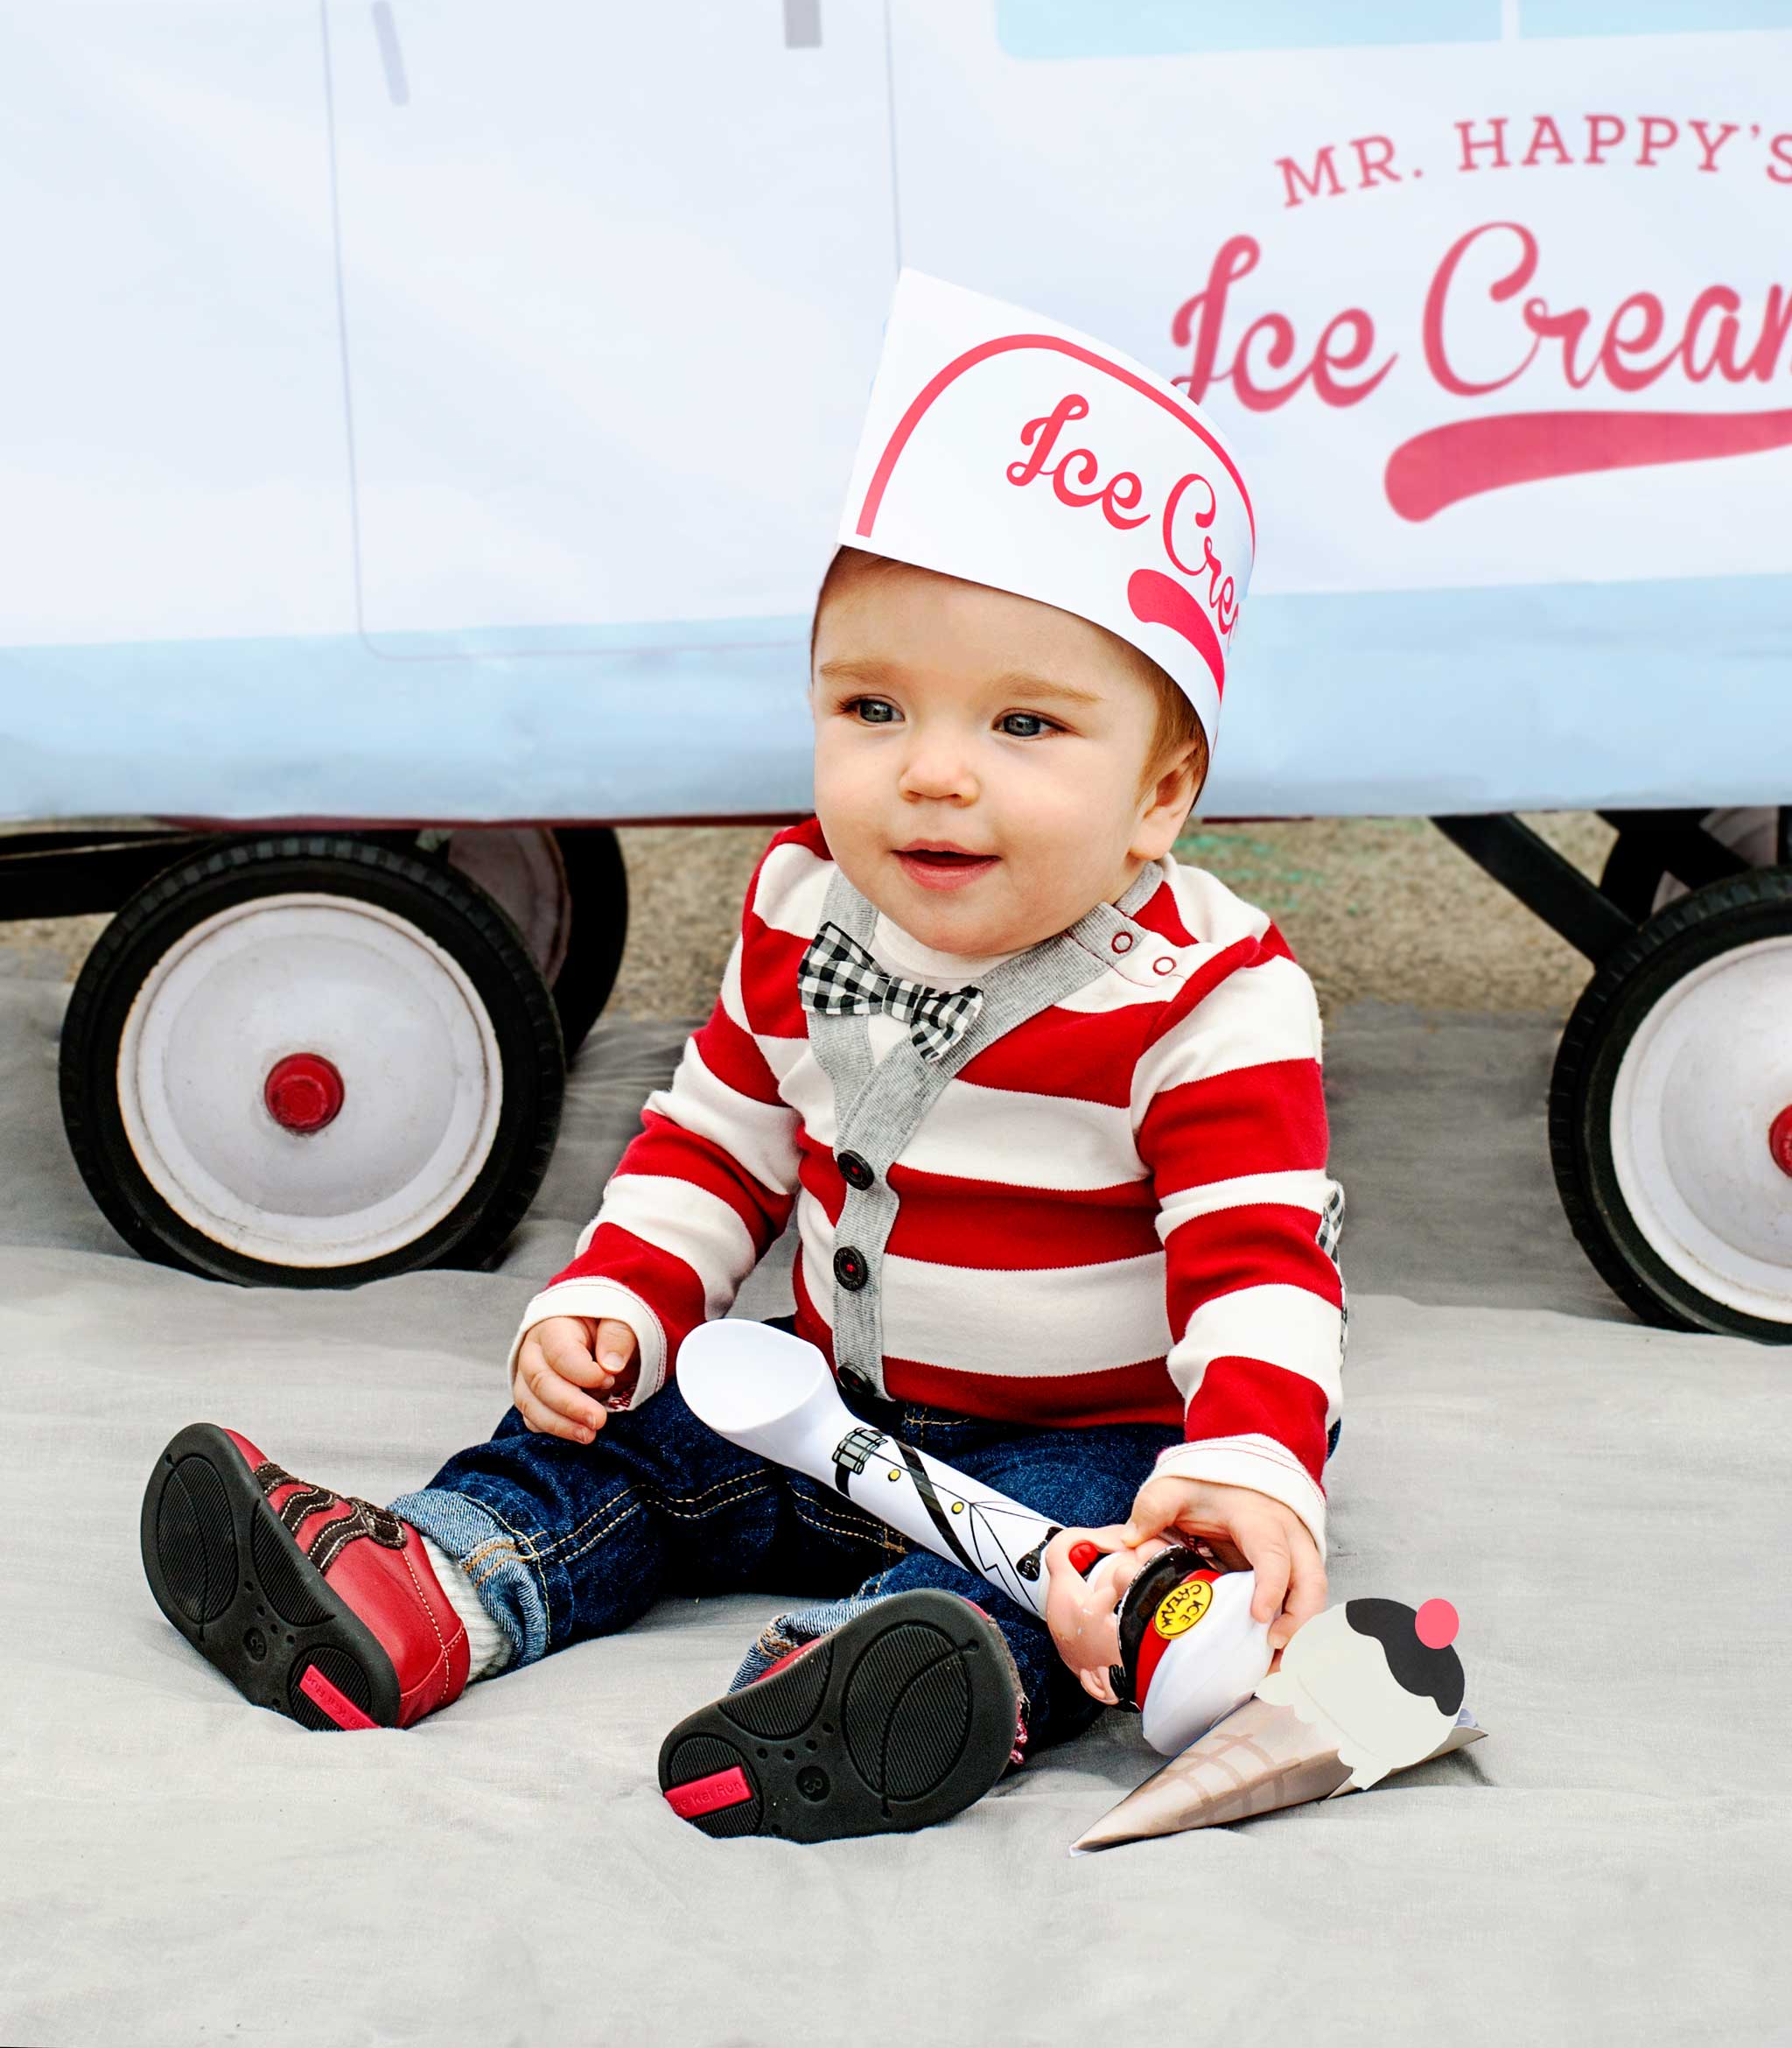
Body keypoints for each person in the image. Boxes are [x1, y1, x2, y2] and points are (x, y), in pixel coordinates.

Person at [140, 274, 1346, 1843]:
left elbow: (1263, 1269)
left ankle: (886, 1686)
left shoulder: (1214, 997)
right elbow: (713, 1137)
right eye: (873, 704)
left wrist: (1247, 1461)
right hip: (818, 1408)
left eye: (1026, 728)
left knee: (1100, 1578)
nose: (931, 771)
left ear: (1160, 794)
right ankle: (431, 1584)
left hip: (1092, 1441)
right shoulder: (801, 908)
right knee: (624, 1444)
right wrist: (615, 1302)